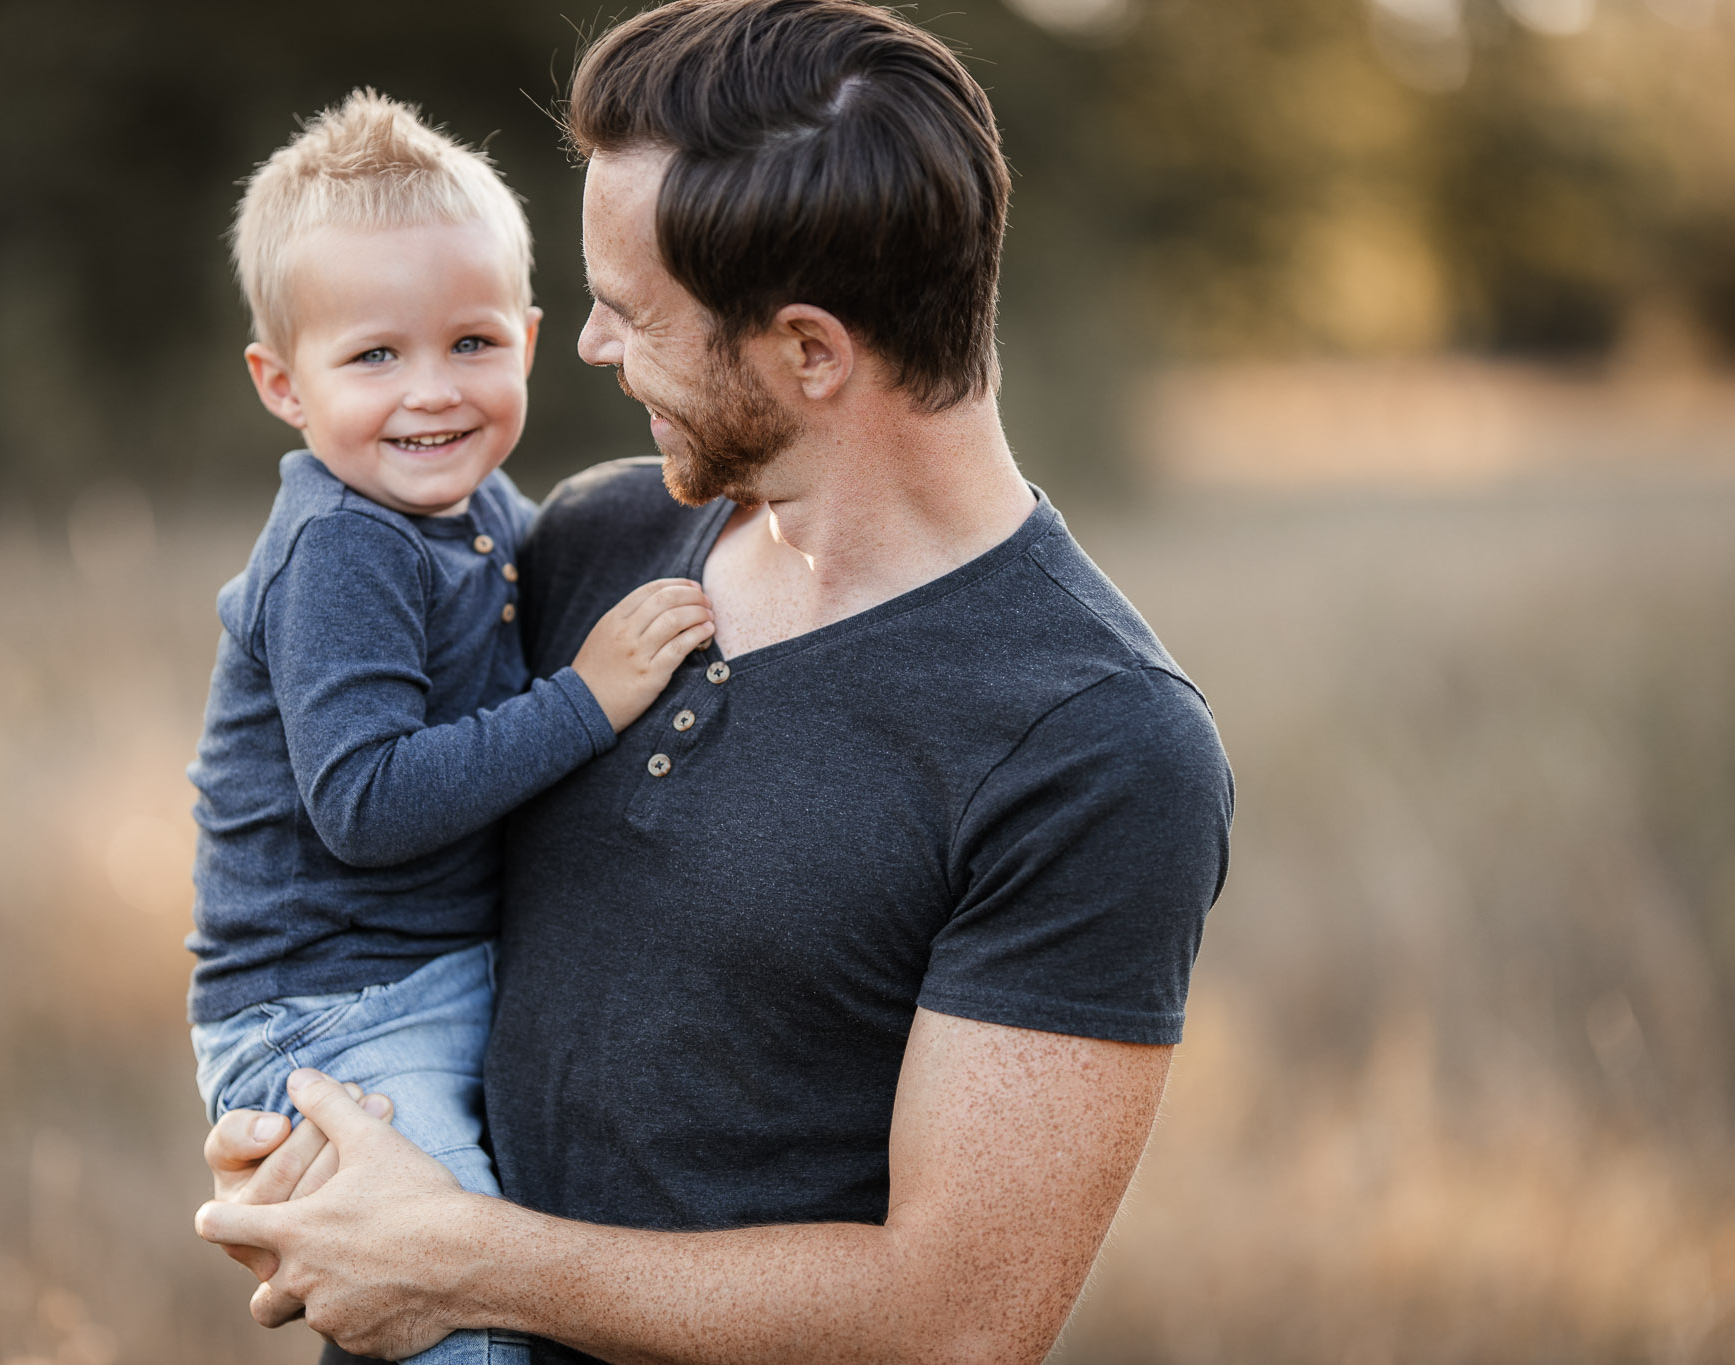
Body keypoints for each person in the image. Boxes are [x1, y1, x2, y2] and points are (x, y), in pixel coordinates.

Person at [196, 4, 1235, 1362]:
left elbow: (958, 1323)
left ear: (808, 351)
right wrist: (296, 1140)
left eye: (628, 313)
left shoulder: (1097, 746)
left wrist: (467, 1263)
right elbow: (345, 852)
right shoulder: (592, 540)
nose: (586, 348)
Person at [183, 86, 716, 1365]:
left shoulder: (472, 512)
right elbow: (364, 805)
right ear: (280, 381)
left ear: (529, 342)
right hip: (333, 1012)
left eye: (470, 343)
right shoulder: (345, 547)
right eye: (374, 357)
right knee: (455, 1303)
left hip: (426, 982)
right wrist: (586, 700)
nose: (432, 393)